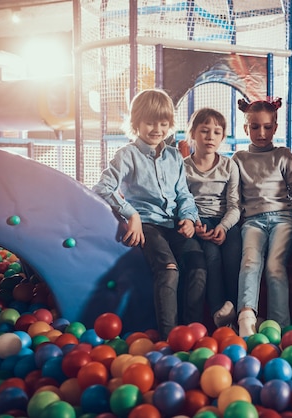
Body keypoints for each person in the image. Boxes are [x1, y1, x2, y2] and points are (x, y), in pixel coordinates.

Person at [92, 88, 206, 340]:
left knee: (198, 265)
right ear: (136, 124)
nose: (157, 129)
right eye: (150, 123)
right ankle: (170, 338)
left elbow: (184, 193)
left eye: (164, 123)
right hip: (148, 225)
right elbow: (102, 188)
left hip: (174, 223)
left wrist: (188, 217)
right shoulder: (128, 155)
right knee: (169, 270)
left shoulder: (175, 156)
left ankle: (193, 333)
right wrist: (130, 214)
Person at [232, 97, 292, 337]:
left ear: (275, 128)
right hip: (252, 220)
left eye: (267, 127)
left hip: (282, 219)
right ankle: (246, 315)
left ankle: (280, 324)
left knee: (274, 266)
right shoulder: (239, 159)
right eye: (254, 127)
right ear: (245, 128)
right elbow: (235, 196)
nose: (261, 133)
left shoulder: (283, 155)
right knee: (250, 261)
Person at [183, 108, 241, 329]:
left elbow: (235, 205)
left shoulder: (228, 166)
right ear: (193, 134)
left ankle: (234, 309)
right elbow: (182, 200)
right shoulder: (184, 167)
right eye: (204, 131)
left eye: (216, 132)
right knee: (211, 257)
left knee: (234, 255)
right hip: (199, 221)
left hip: (226, 221)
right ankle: (219, 313)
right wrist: (194, 223)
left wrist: (224, 227)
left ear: (223, 137)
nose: (210, 137)